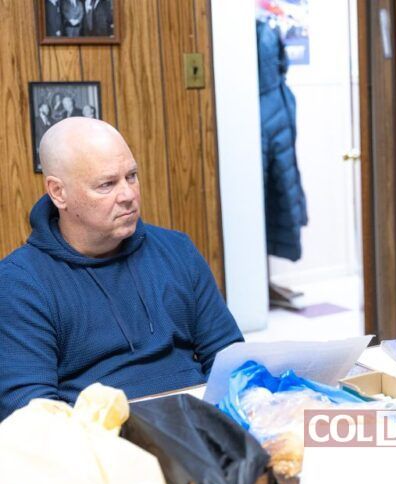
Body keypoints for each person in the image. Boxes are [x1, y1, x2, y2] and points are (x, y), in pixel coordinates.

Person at [0, 118, 243, 420]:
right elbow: (30, 411)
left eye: (132, 176)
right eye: (107, 184)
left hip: (198, 422)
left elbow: (228, 357)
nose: (128, 195)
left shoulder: (177, 249)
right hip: (99, 439)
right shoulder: (20, 282)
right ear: (58, 192)